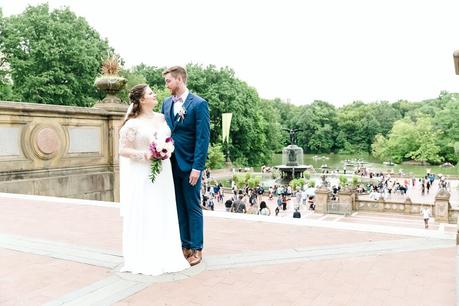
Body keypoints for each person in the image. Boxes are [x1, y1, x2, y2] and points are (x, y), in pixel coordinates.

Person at [119, 84, 189, 275]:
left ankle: (166, 252)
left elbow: (170, 138)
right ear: (142, 100)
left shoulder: (162, 117)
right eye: (150, 93)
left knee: (163, 208)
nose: (154, 94)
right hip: (143, 172)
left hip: (163, 173)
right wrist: (146, 154)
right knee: (147, 209)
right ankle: (145, 255)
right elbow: (122, 150)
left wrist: (166, 149)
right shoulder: (132, 124)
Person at [161, 66, 210, 266]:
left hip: (190, 165)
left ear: (180, 79)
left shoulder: (198, 104)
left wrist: (197, 167)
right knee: (178, 206)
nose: (167, 85)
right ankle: (184, 245)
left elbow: (202, 138)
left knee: (192, 206)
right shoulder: (166, 103)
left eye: (168, 81)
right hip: (169, 163)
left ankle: (197, 248)